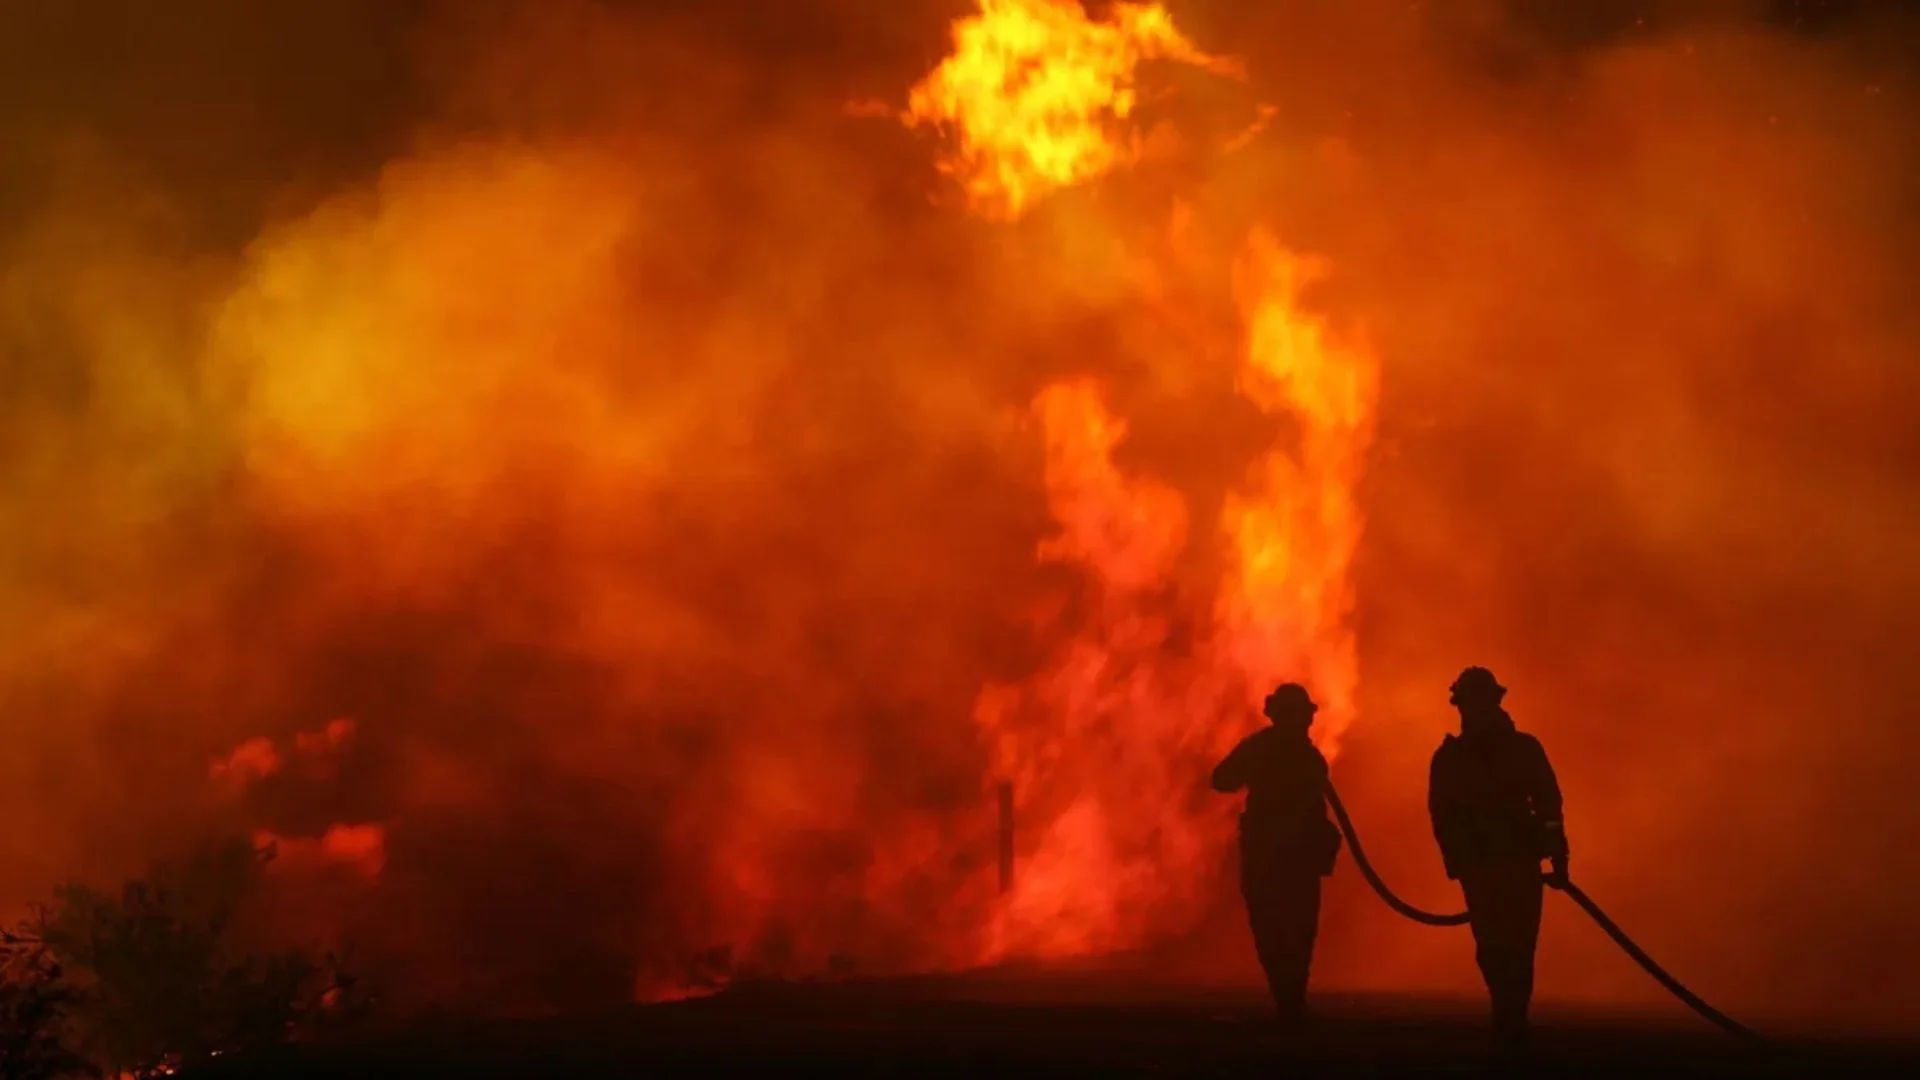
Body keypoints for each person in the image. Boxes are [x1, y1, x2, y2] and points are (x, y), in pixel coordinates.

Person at [1427, 666, 1568, 1052]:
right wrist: (1459, 863)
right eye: (1470, 704)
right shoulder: (1450, 758)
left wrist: (1557, 853)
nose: (1476, 711)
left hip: (1520, 863)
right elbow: (1442, 816)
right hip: (1481, 866)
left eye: (1482, 703)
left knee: (1520, 944)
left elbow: (1549, 803)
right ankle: (1505, 1017)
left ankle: (1513, 1020)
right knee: (1492, 946)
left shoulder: (1524, 749)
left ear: (1495, 702)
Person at [1211, 682, 1343, 1024]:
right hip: (1285, 856)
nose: (1305, 723)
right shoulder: (1301, 755)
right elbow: (1222, 779)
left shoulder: (1275, 750)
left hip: (1277, 855)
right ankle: (1291, 997)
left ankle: (1289, 997)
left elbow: (1222, 779)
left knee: (1280, 926)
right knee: (1291, 927)